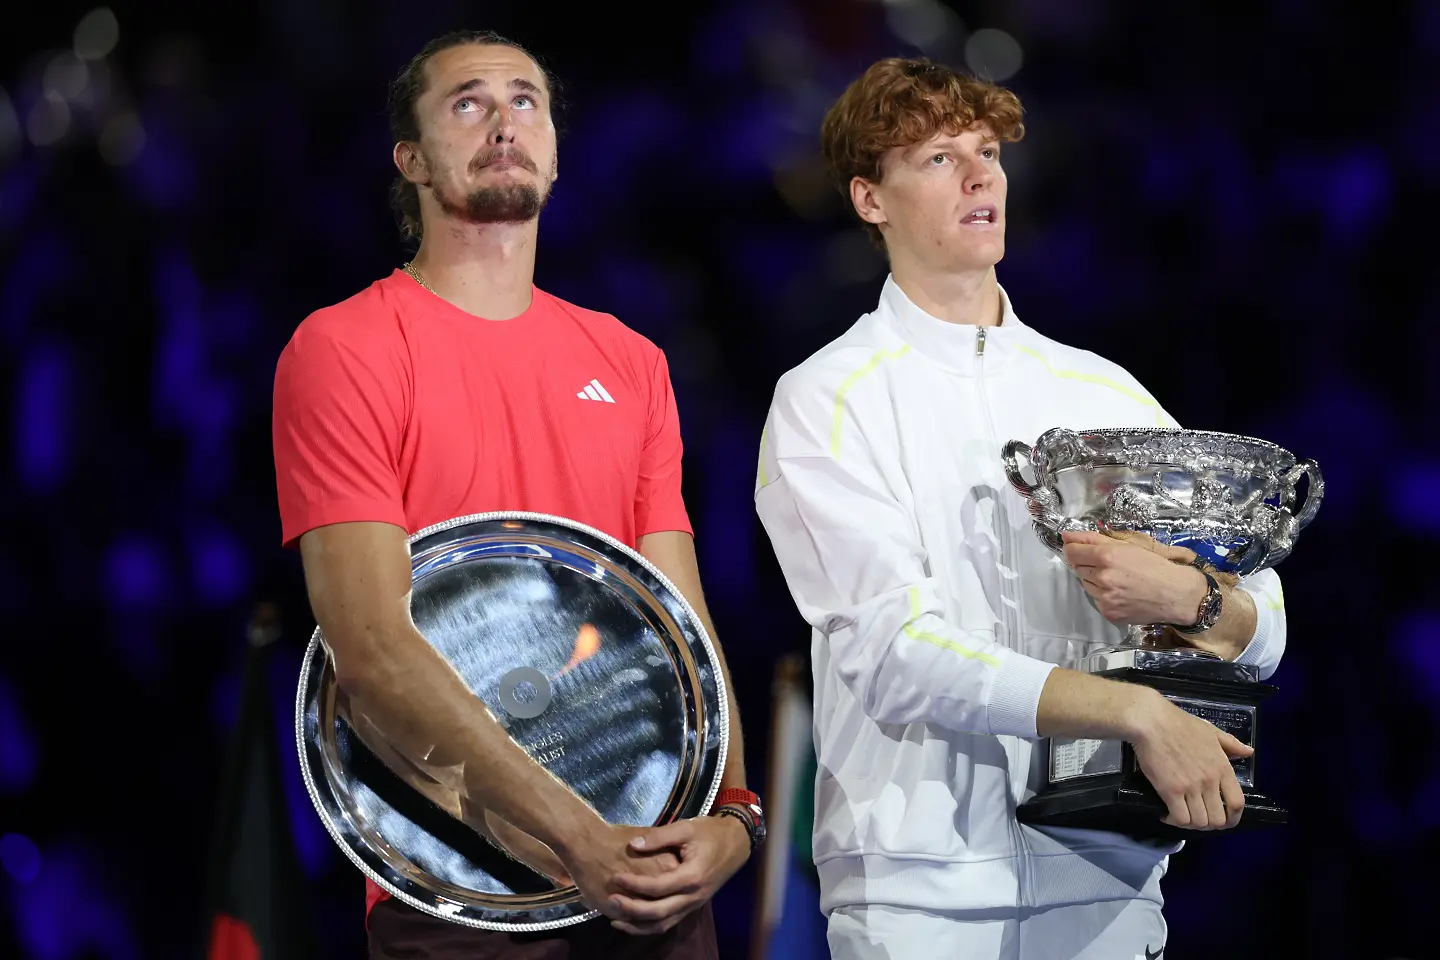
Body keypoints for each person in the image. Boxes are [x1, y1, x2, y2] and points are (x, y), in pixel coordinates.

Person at [753, 57, 1288, 959]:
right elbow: (896, 654)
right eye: (935, 158)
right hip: (922, 901)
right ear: (869, 199)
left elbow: (1263, 626)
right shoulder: (827, 398)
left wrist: (1192, 601)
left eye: (989, 152)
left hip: (1110, 881)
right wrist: (1135, 715)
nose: (978, 176)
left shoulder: (1101, 388)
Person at [271, 30, 764, 960]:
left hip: (648, 865)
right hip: (459, 881)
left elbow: (683, 620)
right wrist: (574, 834)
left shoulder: (631, 361)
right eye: (468, 103)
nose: (504, 121)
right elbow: (370, 645)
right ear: (411, 160)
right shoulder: (343, 350)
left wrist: (735, 811)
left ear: (554, 152)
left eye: (525, 100)